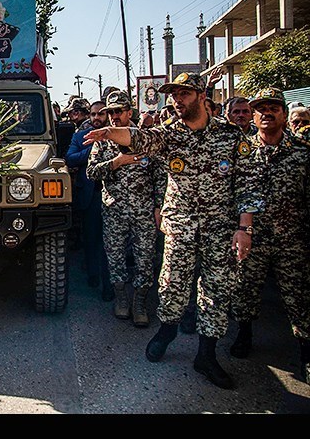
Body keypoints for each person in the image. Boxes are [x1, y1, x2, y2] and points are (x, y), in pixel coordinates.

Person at [83, 72, 263, 390]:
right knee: (171, 285)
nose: (177, 100)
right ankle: (166, 332)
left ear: (201, 95)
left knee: (216, 292)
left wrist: (244, 227)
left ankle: (206, 355)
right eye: (174, 95)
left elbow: (248, 183)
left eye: (183, 94)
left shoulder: (232, 137)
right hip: (180, 226)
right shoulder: (168, 134)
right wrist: (111, 132)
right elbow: (141, 139)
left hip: (219, 229)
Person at [229, 88, 310, 385]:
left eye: (273, 107)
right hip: (253, 238)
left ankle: (306, 351)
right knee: (245, 288)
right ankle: (244, 334)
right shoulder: (243, 151)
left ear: (284, 114)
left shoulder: (302, 151)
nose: (267, 112)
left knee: (298, 296)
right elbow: (234, 194)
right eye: (261, 108)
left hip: (292, 238)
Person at [86, 91, 165, 327]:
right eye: (110, 112)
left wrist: (159, 206)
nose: (113, 117)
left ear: (129, 112)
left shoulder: (144, 138)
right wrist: (117, 162)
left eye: (118, 111)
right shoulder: (102, 142)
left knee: (145, 259)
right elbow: (91, 173)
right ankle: (121, 299)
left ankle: (140, 303)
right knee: (115, 257)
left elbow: (160, 176)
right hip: (114, 210)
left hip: (144, 211)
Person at [66, 101, 112, 301]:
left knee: (112, 243)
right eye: (93, 115)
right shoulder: (79, 137)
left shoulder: (119, 136)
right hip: (91, 195)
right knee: (92, 240)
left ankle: (110, 284)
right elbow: (70, 158)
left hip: (115, 196)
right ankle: (94, 276)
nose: (96, 118)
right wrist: (94, 147)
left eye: (100, 114)